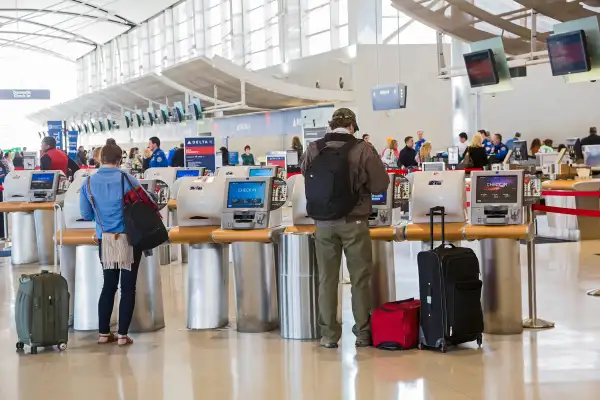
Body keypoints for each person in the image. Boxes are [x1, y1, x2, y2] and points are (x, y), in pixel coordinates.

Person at [301, 107, 389, 349]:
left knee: (327, 279)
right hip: (354, 222)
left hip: (322, 224)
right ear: (353, 126)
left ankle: (329, 335)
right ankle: (362, 333)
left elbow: (305, 175)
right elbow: (381, 184)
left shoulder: (313, 148)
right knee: (359, 279)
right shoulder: (363, 149)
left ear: (331, 125)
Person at [80, 144, 157, 347]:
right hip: (129, 238)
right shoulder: (126, 178)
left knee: (108, 286)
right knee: (128, 288)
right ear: (119, 159)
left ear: (100, 158)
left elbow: (86, 214)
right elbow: (146, 202)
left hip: (105, 238)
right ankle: (122, 335)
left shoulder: (88, 182)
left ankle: (104, 333)